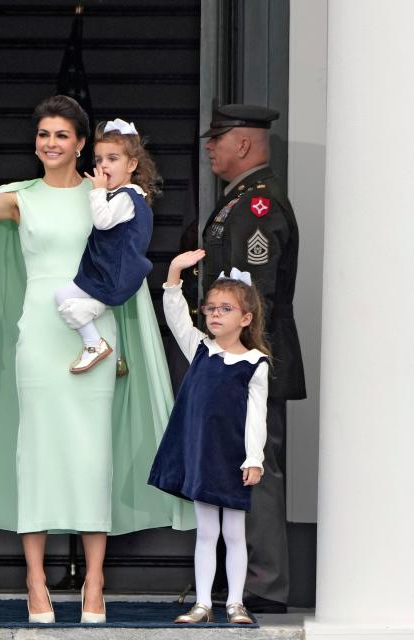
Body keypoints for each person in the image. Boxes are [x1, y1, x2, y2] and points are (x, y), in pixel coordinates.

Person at [0, 94, 192, 624]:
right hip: (39, 331)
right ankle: (35, 581)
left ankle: (95, 583)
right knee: (33, 453)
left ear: (83, 143)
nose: (51, 143)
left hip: (95, 329)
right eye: (44, 134)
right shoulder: (22, 197)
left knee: (92, 455)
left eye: (63, 135)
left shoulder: (105, 192)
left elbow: (128, 255)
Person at [199, 104, 305, 613]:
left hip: (252, 359)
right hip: (235, 360)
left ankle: (265, 586)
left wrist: (236, 359)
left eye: (217, 138)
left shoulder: (258, 205)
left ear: (243, 144)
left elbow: (253, 294)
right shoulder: (238, 202)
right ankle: (243, 578)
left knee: (256, 468)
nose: (208, 146)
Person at [149, 251, 268, 625]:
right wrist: (173, 273)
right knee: (206, 531)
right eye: (211, 308)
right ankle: (202, 603)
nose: (215, 314)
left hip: (232, 458)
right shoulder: (200, 349)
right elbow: (176, 317)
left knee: (234, 531)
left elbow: (256, 417)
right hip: (201, 454)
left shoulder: (254, 364)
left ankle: (235, 603)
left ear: (245, 319)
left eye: (225, 309)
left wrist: (254, 458)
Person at [55, 117, 159, 373]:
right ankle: (114, 354)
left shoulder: (126, 196)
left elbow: (102, 222)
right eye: (99, 160)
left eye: (113, 159)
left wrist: (97, 191)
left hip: (114, 274)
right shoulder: (130, 195)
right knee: (75, 301)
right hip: (115, 272)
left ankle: (94, 342)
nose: (103, 166)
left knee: (65, 298)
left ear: (132, 164)